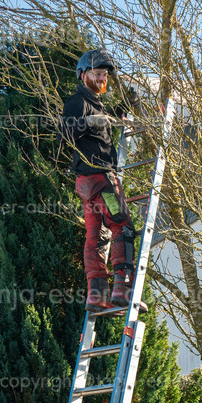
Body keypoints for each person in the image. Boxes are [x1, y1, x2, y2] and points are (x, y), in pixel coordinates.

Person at [60, 48, 147, 314]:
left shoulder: (95, 103)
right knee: (123, 227)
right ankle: (123, 288)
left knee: (96, 237)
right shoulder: (78, 102)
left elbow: (105, 121)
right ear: (83, 74)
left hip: (88, 185)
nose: (102, 79)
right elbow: (66, 132)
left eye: (105, 75)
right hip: (101, 180)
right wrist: (89, 121)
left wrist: (123, 108)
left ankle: (96, 296)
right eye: (97, 73)